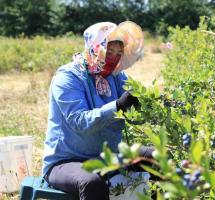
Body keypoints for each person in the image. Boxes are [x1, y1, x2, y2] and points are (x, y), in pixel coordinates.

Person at [42, 21, 154, 200]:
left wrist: (145, 106)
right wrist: (117, 105)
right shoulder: (68, 77)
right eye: (109, 51)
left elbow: (135, 113)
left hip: (110, 156)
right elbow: (79, 122)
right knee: (91, 183)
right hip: (68, 161)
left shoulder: (116, 76)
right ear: (95, 47)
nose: (114, 58)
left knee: (155, 157)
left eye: (119, 53)